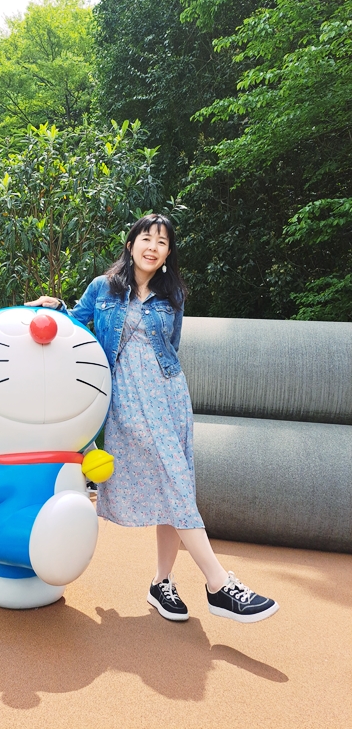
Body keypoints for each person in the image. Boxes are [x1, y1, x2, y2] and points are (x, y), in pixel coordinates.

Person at [27, 214, 279, 624]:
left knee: (174, 487)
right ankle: (218, 584)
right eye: (146, 238)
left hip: (170, 397)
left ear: (167, 253)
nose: (153, 247)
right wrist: (57, 308)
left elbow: (171, 345)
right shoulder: (103, 287)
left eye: (162, 242)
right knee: (175, 483)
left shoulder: (172, 293)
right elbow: (76, 323)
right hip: (127, 400)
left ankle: (162, 582)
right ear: (131, 245)